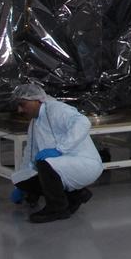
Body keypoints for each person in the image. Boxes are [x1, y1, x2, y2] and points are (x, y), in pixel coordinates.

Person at [9, 82, 103, 222]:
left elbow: (83, 122)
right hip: (63, 167)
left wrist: (60, 149)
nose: (20, 110)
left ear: (36, 100)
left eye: (22, 104)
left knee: (44, 163)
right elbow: (29, 153)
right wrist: (23, 184)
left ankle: (57, 208)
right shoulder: (34, 124)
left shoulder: (56, 109)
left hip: (85, 163)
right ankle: (75, 196)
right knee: (21, 178)